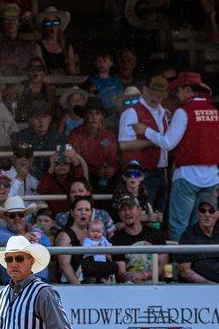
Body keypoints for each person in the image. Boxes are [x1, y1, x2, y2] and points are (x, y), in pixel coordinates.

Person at [130, 72, 219, 243]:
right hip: (211, 178)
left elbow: (168, 143)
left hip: (187, 177)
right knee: (202, 226)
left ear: (187, 89)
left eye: (178, 91)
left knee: (179, 226)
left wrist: (145, 130)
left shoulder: (183, 112)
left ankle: (180, 267)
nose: (176, 96)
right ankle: (199, 265)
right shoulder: (215, 112)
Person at [116, 75, 170, 214]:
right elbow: (124, 144)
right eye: (152, 94)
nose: (155, 98)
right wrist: (155, 141)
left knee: (157, 215)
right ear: (144, 90)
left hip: (160, 171)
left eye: (159, 95)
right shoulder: (131, 112)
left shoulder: (162, 112)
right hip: (142, 172)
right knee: (144, 214)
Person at [0, 196, 50, 283]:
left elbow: (45, 251)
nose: (17, 218)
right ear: (5, 218)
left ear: (25, 216)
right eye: (12, 215)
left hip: (40, 280)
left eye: (21, 214)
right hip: (14, 282)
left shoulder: (37, 233)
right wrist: (23, 239)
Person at [68, 97, 119, 195]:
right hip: (85, 175)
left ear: (103, 116)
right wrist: (96, 171)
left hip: (103, 176)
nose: (94, 117)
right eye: (90, 113)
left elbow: (113, 160)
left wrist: (112, 169)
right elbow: (76, 162)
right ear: (85, 115)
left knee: (117, 180)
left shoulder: (109, 135)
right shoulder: (75, 134)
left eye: (97, 113)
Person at [112, 195, 168, 284]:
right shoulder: (116, 240)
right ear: (119, 214)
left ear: (139, 210)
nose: (127, 212)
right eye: (123, 209)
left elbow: (163, 266)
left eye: (130, 208)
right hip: (130, 285)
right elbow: (121, 274)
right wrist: (137, 280)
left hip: (155, 282)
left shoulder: (155, 234)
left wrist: (143, 275)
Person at [176, 192, 219, 283]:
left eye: (211, 211)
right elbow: (184, 271)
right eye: (203, 210)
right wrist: (209, 284)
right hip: (196, 289)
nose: (207, 215)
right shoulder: (188, 235)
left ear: (218, 213)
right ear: (198, 213)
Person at [0, 5, 35, 76]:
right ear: (2, 23)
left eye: (14, 20)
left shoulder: (27, 45)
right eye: (7, 20)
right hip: (3, 83)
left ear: (19, 23)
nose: (11, 24)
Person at [34, 6, 77, 76]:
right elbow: (43, 70)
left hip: (63, 81)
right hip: (47, 82)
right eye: (48, 23)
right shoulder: (39, 46)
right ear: (44, 27)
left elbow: (72, 70)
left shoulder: (66, 46)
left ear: (59, 26)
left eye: (55, 23)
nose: (52, 26)